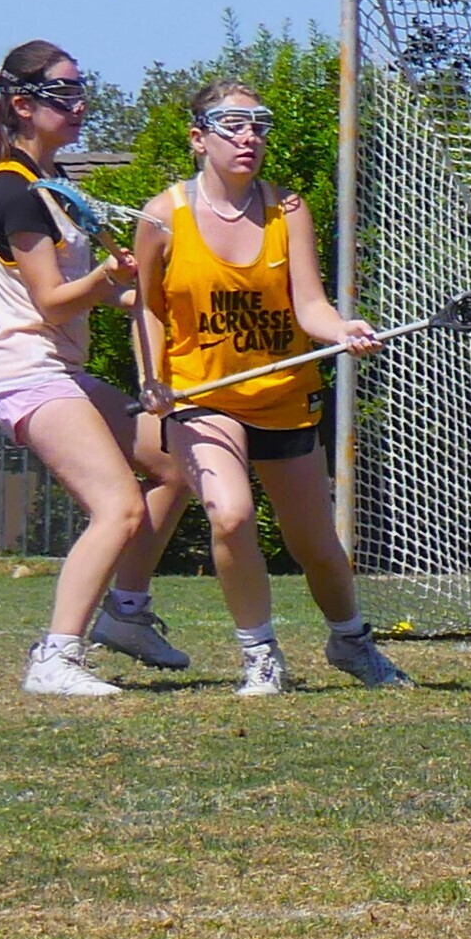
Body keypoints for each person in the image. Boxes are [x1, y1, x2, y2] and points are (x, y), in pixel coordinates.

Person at [130, 80, 405, 693]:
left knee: (317, 547)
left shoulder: (288, 209)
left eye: (259, 125)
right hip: (200, 395)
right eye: (233, 125)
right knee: (230, 516)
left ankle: (351, 640)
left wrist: (343, 328)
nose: (249, 137)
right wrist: (151, 376)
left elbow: (309, 305)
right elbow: (145, 307)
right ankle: (260, 654)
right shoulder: (163, 215)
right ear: (199, 138)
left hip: (282, 396)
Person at [0, 42, 186, 696]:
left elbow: (85, 293)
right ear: (23, 105)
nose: (80, 103)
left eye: (80, 88)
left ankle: (124, 613)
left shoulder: (52, 188)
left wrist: (152, 294)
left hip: (60, 369)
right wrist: (104, 280)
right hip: (24, 372)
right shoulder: (15, 193)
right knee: (117, 505)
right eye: (63, 92)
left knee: (178, 465)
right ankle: (56, 656)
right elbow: (53, 299)